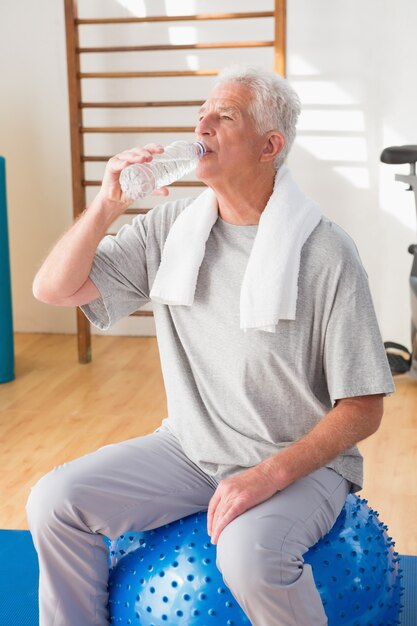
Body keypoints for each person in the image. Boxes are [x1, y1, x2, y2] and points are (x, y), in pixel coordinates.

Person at [27, 64, 395, 626]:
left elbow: (364, 408)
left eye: (224, 117)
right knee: (54, 502)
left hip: (298, 463)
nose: (203, 125)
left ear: (270, 145)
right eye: (201, 114)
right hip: (191, 449)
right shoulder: (172, 227)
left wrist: (268, 475)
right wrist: (106, 206)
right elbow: (53, 289)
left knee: (248, 556)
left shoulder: (326, 253)